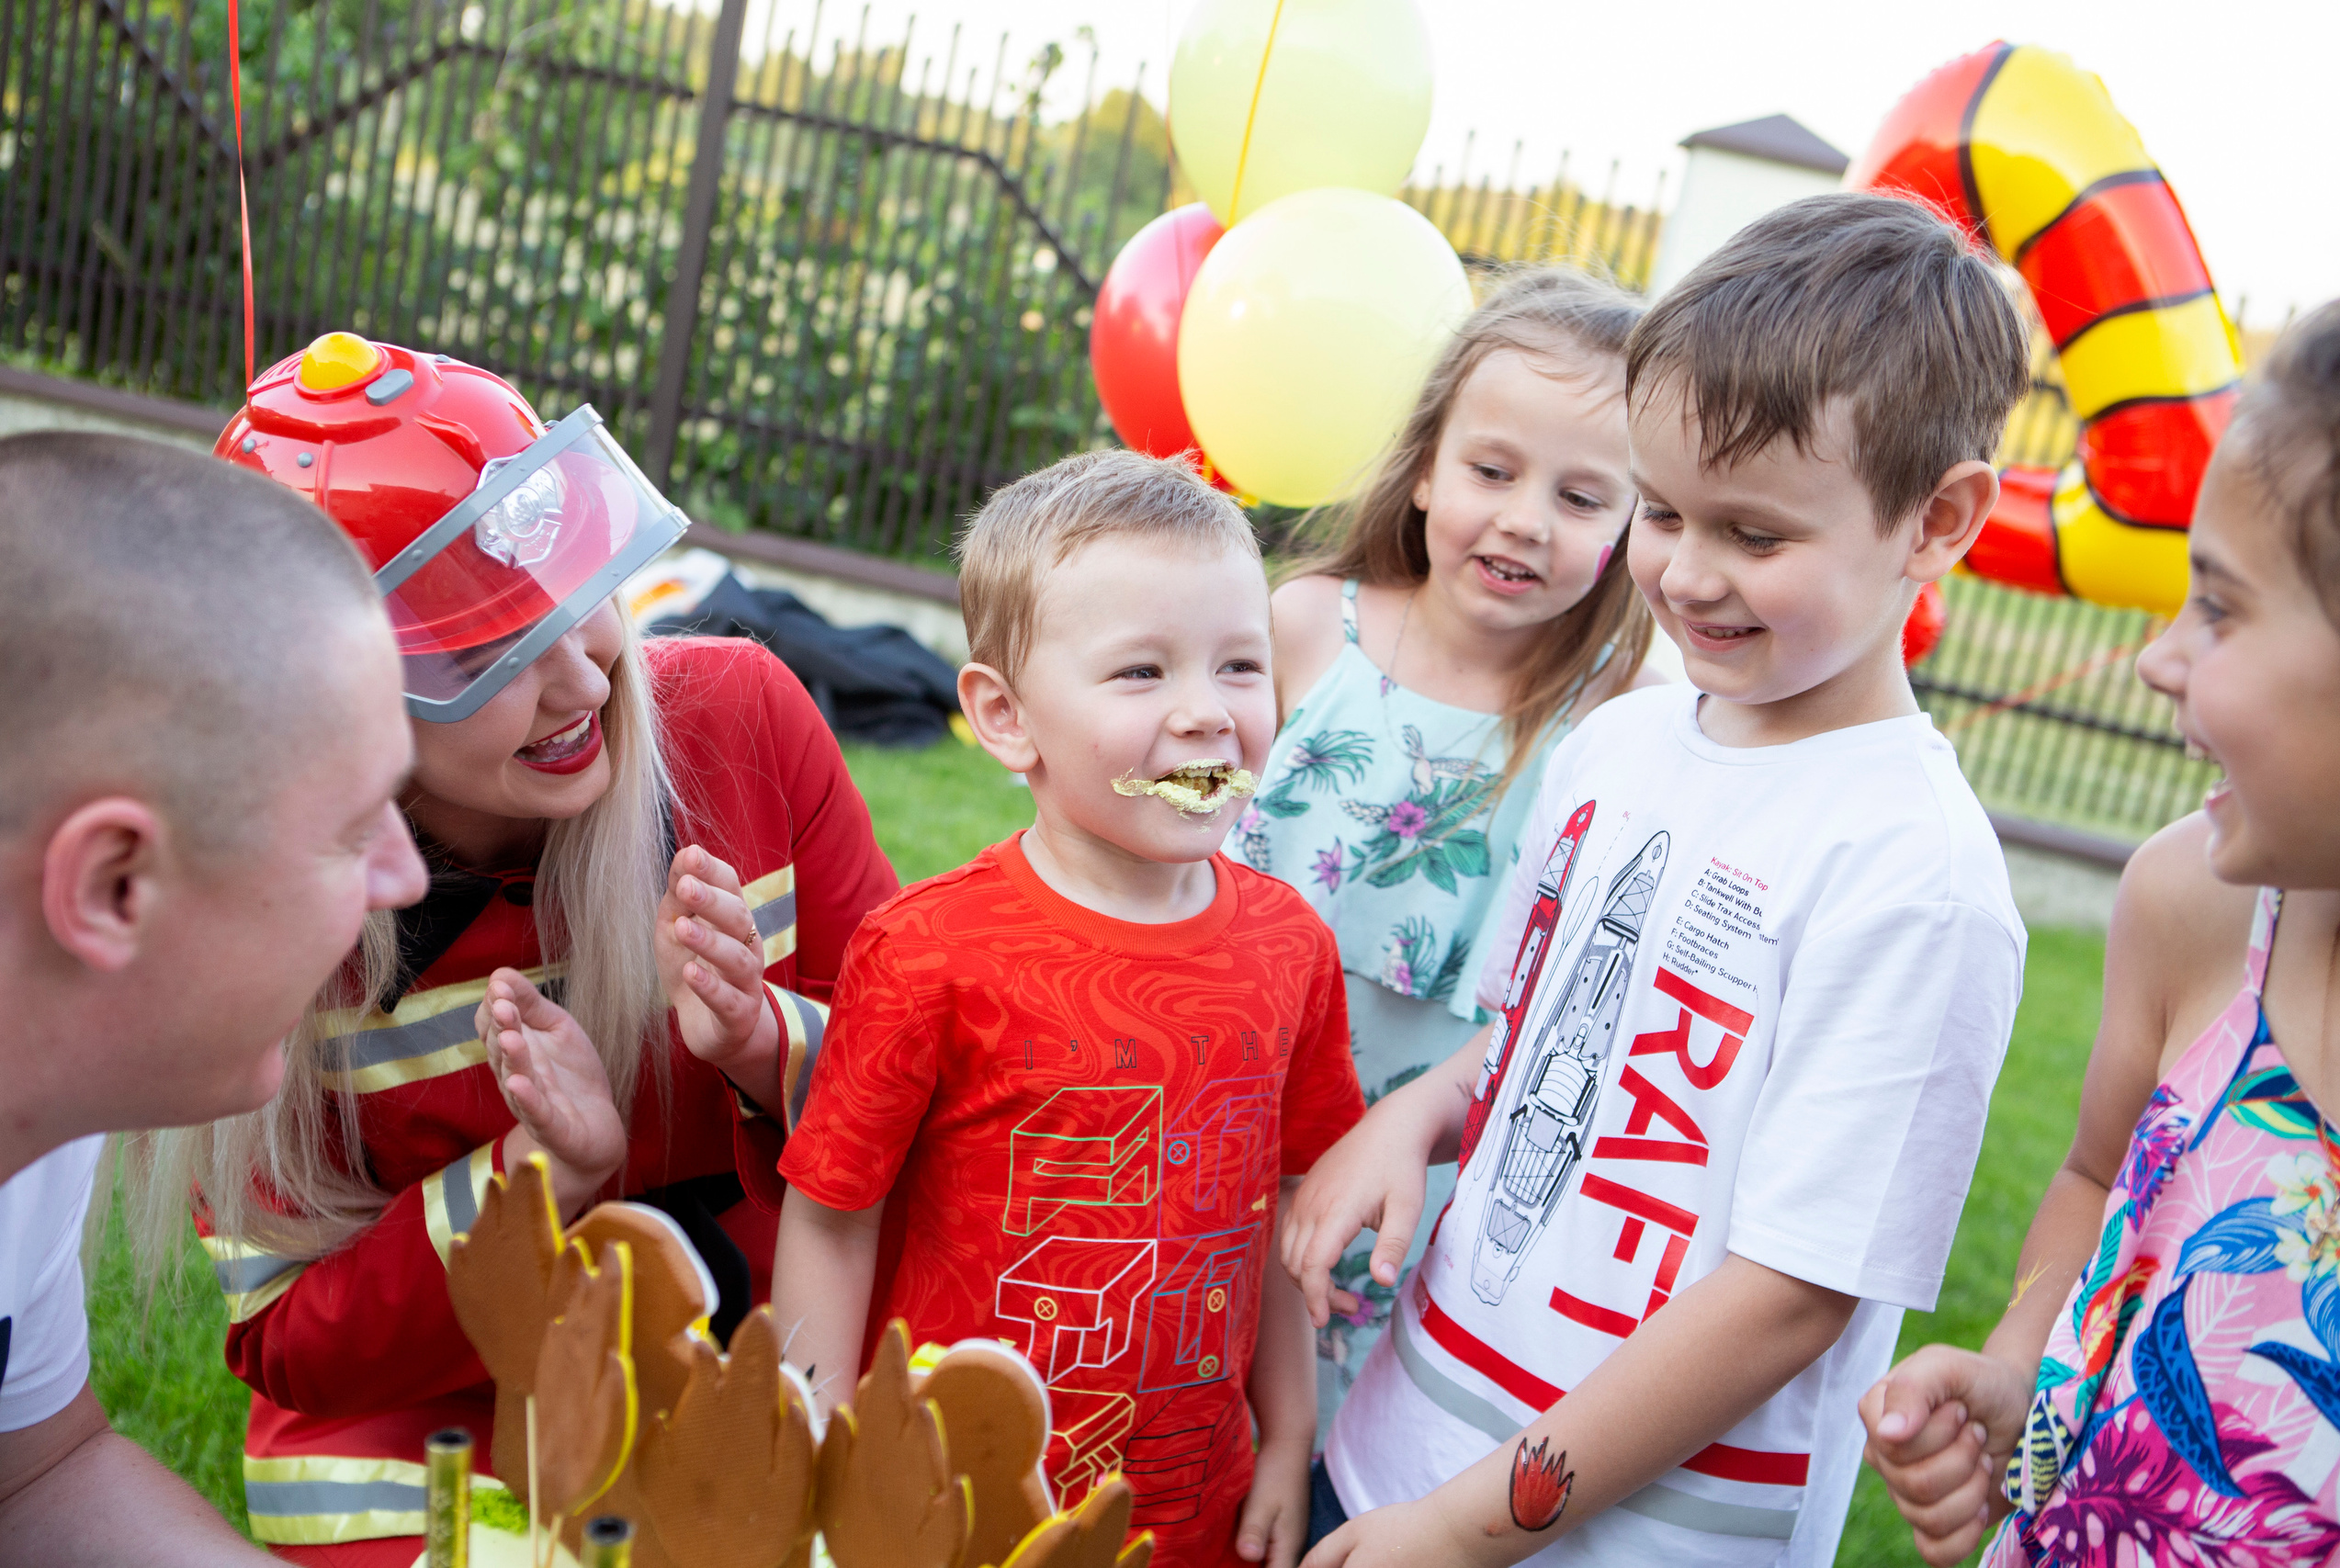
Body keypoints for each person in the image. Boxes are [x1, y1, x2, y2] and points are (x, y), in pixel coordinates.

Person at [1280, 193, 2033, 1566]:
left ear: (1938, 520)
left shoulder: (1916, 878)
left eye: (1754, 534)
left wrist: (1461, 1528)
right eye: (1665, 511)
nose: (1686, 573)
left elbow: (1789, 1296)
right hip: (1389, 1452)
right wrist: (1417, 1119)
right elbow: (1516, 1047)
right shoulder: (1618, 744)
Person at [122, 333, 899, 1565]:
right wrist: (540, 1173)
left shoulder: (745, 719)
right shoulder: (264, 913)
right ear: (320, 697)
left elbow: (930, 1110)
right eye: (484, 650)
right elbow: (295, 1340)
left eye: (580, 594)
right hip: (436, 1438)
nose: (587, 671)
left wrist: (766, 1044)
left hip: (764, 1367)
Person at [773, 449, 1368, 1568]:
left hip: (1200, 1512)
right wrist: (816, 1456)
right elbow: (832, 1214)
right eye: (1141, 673)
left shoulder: (1293, 948)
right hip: (947, 1509)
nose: (1205, 714)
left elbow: (1284, 1214)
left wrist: (1289, 1435)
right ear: (1005, 718)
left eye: (1239, 665)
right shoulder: (927, 951)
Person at [1859, 303, 2340, 1565]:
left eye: (2222, 611)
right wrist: (2020, 1357)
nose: (2157, 657)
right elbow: (2095, 1178)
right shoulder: (2194, 902)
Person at [1227, 268, 1656, 1430]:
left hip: (1413, 1175)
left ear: (1634, 523)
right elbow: (1176, 828)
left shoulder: (1614, 728)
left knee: (1310, 1445)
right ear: (1425, 467)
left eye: (1581, 497)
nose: (1525, 518)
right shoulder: (1308, 628)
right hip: (1217, 1104)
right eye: (1493, 471)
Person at [0, 432, 428, 1563]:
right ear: (114, 887)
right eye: (351, 831)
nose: (407, 877)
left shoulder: (33, 1119)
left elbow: (34, 1472)